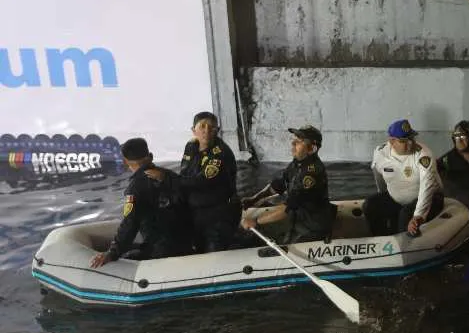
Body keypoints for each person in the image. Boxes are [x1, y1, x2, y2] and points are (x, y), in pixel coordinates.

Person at [90, 138, 190, 268]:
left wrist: (113, 252)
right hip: (185, 243)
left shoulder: (136, 188)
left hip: (161, 250)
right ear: (150, 156)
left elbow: (130, 223)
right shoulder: (170, 176)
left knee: (129, 256)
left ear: (125, 162)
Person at [149, 111, 239, 252]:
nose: (206, 131)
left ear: (218, 130)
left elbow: (200, 182)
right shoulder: (191, 146)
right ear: (193, 130)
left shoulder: (220, 153)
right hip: (196, 211)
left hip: (218, 214)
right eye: (202, 126)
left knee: (214, 252)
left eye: (211, 127)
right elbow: (185, 174)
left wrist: (166, 176)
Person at [239, 125, 333, 244]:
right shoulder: (297, 163)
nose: (293, 143)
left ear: (311, 148)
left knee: (258, 234)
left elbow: (288, 208)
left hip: (311, 226)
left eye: (299, 141)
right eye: (294, 139)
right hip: (298, 217)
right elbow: (279, 185)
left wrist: (256, 221)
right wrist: (255, 199)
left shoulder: (311, 173)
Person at [365, 119, 444, 236]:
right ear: (392, 141)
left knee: (405, 215)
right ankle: (381, 240)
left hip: (430, 199)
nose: (410, 143)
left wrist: (418, 216)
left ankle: (405, 250)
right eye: (404, 141)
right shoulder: (380, 153)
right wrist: (383, 194)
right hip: (398, 198)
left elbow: (427, 187)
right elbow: (378, 176)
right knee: (370, 205)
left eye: (411, 138)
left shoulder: (423, 155)